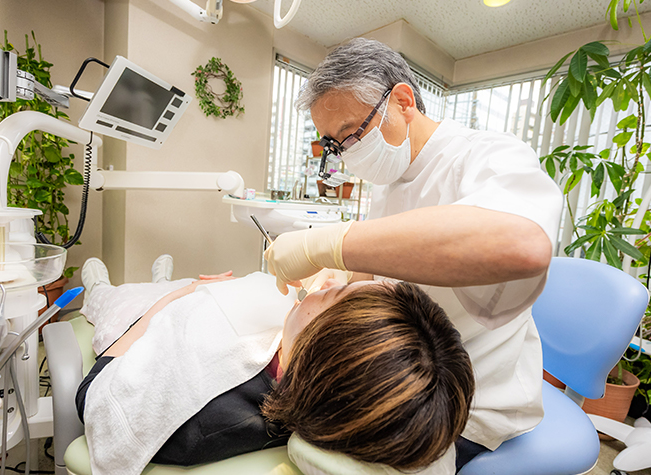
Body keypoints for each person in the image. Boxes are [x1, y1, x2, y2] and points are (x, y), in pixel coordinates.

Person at [263, 38, 564, 471]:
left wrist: (328, 243)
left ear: (402, 100)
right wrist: (337, 278)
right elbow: (377, 271)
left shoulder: (487, 155)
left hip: (463, 397)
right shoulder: (390, 178)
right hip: (401, 375)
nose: (345, 155)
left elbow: (523, 245)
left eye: (350, 135)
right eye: (334, 144)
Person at [76, 256, 474, 473]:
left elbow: (95, 392)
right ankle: (159, 277)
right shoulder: (331, 387)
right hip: (215, 300)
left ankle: (101, 287)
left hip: (157, 316)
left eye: (335, 297)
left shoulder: (197, 423)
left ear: (316, 358)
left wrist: (182, 295)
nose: (330, 286)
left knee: (118, 299)